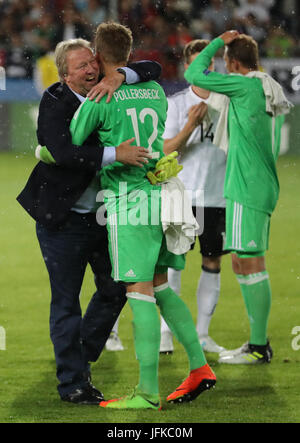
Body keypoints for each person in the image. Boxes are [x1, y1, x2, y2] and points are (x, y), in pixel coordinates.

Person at [70, 21, 216, 411]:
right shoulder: (154, 90)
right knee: (162, 286)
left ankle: (148, 391)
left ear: (98, 57)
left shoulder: (100, 97)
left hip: (128, 200)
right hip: (162, 196)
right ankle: (200, 367)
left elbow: (74, 135)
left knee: (139, 292)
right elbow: (149, 83)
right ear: (129, 54)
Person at [17, 37, 162, 403]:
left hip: (101, 217)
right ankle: (73, 384)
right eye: (81, 67)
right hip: (61, 221)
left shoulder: (111, 89)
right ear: (64, 76)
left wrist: (122, 75)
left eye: (93, 63)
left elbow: (153, 69)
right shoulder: (55, 100)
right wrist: (117, 153)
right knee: (66, 302)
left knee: (116, 288)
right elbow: (63, 152)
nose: (91, 70)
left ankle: (77, 359)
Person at [184, 31, 292, 364]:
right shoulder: (266, 84)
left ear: (232, 63)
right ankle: (257, 344)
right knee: (241, 261)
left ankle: (259, 346)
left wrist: (216, 42)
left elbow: (193, 75)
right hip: (257, 183)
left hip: (248, 186)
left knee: (251, 262)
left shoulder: (244, 85)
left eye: (226, 63)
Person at [160, 39, 228, 355]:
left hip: (218, 196)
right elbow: (166, 150)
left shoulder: (230, 101)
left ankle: (203, 334)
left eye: (210, 64)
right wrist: (190, 125)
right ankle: (166, 333)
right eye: (197, 64)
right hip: (182, 194)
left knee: (212, 261)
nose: (204, 69)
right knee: (174, 263)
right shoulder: (175, 103)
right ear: (188, 68)